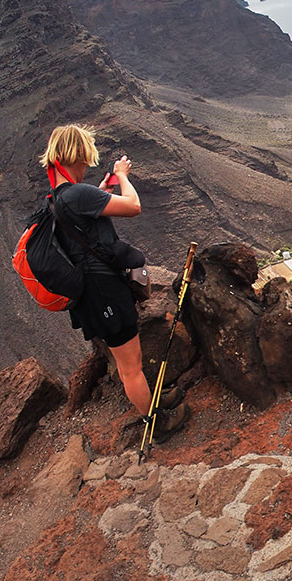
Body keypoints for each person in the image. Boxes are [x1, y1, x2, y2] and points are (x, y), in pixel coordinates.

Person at [40, 124, 189, 436]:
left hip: (91, 293)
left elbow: (88, 215)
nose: (86, 164)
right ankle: (156, 424)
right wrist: (122, 177)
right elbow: (132, 206)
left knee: (128, 361)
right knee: (130, 365)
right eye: (85, 157)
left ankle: (154, 402)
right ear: (78, 154)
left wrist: (105, 184)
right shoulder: (77, 194)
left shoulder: (57, 198)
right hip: (103, 291)